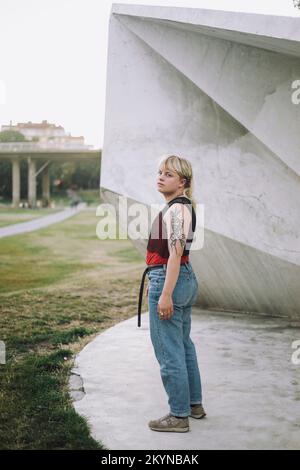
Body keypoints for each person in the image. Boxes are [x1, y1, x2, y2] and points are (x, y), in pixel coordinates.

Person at [145, 154, 206, 433]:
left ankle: (178, 416)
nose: (161, 177)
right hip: (182, 278)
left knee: (170, 351)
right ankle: (194, 405)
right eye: (159, 172)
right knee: (183, 346)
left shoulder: (177, 210)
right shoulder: (178, 207)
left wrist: (165, 293)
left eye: (168, 174)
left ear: (183, 182)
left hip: (171, 280)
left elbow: (176, 253)